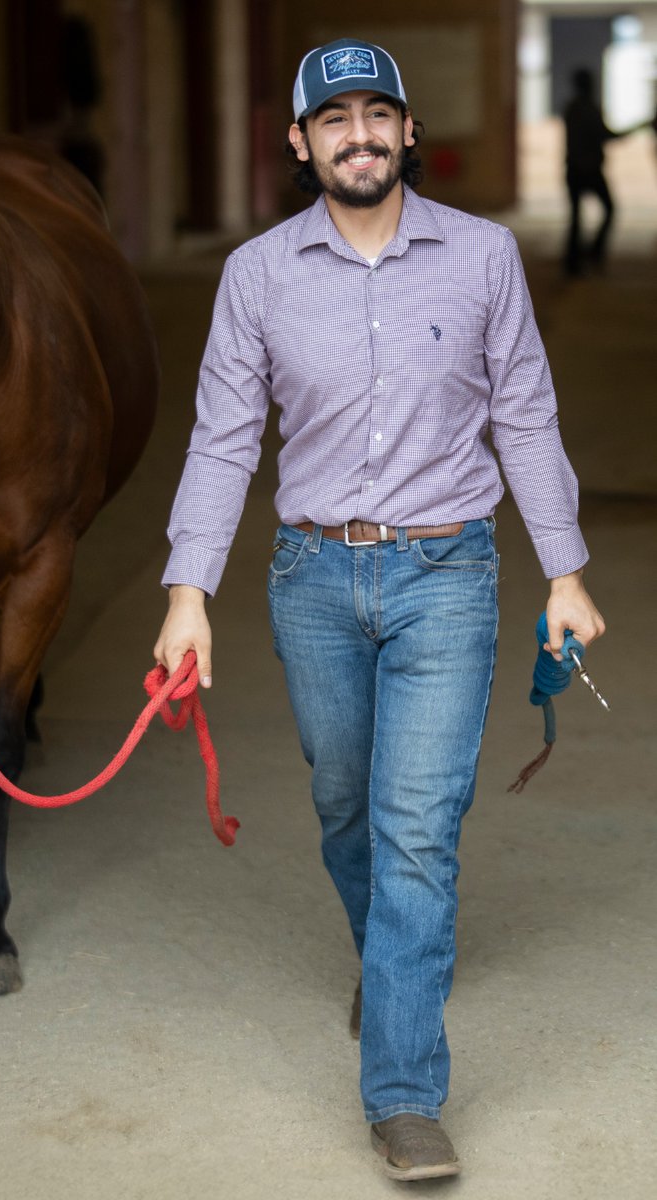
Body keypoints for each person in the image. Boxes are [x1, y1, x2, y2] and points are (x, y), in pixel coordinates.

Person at [153, 37, 605, 1182]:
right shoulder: (256, 275)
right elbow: (221, 441)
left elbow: (529, 417)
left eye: (378, 113)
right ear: (300, 143)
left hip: (446, 575)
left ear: (408, 133)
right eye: (334, 117)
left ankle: (404, 1092)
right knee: (346, 806)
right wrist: (186, 593)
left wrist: (563, 569)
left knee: (415, 826)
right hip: (311, 579)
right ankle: (391, 960)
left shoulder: (486, 257)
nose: (359, 133)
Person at [563, 67, 621, 276]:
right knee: (609, 209)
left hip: (573, 170)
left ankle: (574, 261)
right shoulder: (589, 109)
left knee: (576, 217)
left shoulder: (571, 108)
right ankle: (592, 253)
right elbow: (605, 134)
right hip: (589, 170)